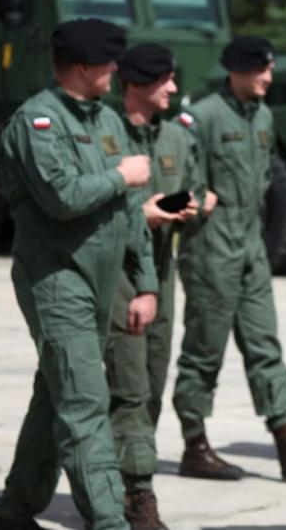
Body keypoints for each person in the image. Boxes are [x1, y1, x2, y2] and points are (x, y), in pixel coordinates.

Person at [0, 18, 157, 530]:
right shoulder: (35, 123)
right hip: (57, 281)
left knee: (57, 394)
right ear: (85, 67)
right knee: (86, 402)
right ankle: (110, 521)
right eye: (109, 63)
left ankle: (16, 510)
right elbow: (62, 198)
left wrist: (146, 282)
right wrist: (120, 174)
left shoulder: (106, 121)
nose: (116, 70)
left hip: (103, 282)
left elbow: (130, 214)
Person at [172, 36, 286, 481]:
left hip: (251, 249)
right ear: (237, 70)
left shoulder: (263, 116)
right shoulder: (200, 117)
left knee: (264, 344)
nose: (268, 77)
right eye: (260, 69)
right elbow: (173, 176)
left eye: (270, 68)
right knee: (204, 351)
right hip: (210, 250)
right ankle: (194, 444)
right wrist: (196, 198)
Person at [105, 43, 203, 530]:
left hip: (161, 276)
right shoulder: (103, 133)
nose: (173, 88)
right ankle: (135, 491)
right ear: (137, 85)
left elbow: (198, 186)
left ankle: (122, 478)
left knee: (151, 387)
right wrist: (140, 213)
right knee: (127, 387)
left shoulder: (176, 136)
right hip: (116, 278)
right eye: (163, 80)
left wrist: (188, 207)